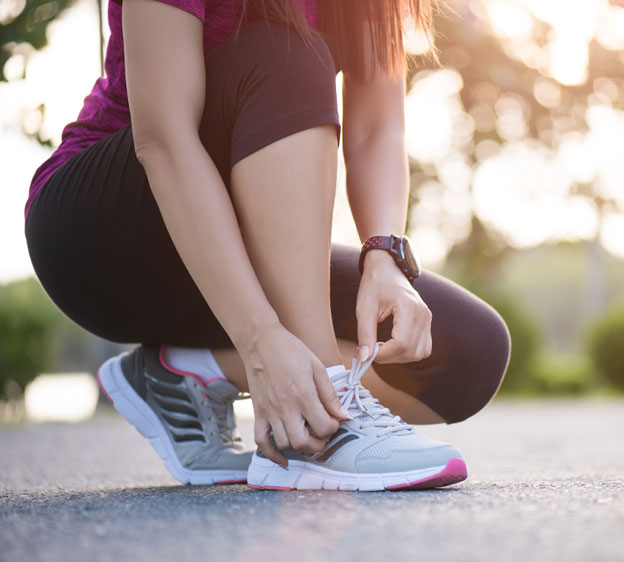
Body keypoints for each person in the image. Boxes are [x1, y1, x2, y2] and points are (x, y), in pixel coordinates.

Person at [24, 0, 510, 491]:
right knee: (284, 48)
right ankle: (315, 434)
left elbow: (376, 127)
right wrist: (259, 340)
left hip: (239, 232)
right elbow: (164, 140)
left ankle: (178, 377)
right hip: (109, 236)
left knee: (464, 351)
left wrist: (384, 256)